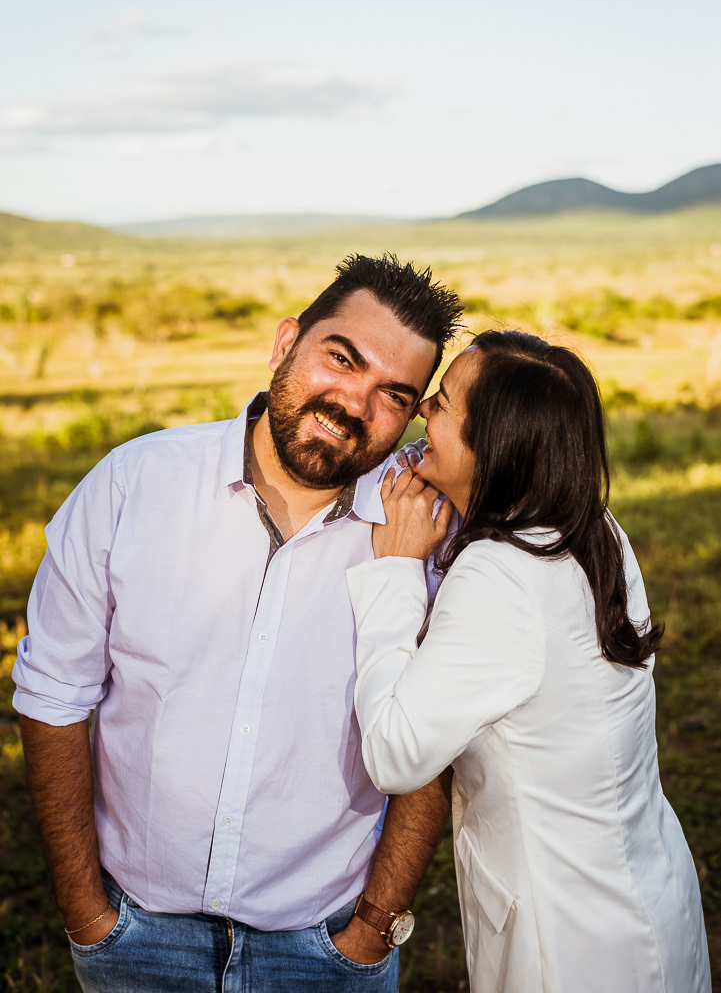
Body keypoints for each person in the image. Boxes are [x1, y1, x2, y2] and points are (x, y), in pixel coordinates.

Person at [13, 254, 464, 993]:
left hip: (326, 946)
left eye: (393, 393)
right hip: (135, 937)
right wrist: (86, 912)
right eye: (341, 359)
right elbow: (52, 695)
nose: (354, 403)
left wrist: (372, 927)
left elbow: (436, 736)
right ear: (285, 342)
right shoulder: (134, 485)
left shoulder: (427, 531)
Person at [348, 330, 712, 993]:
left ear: (493, 442)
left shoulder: (501, 571)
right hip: (643, 900)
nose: (423, 407)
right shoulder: (591, 526)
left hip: (568, 946)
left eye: (443, 402)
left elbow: (394, 753)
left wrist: (395, 571)